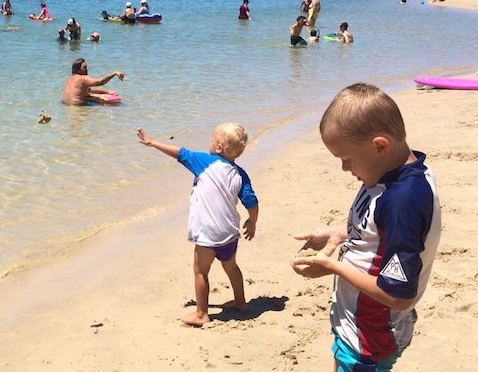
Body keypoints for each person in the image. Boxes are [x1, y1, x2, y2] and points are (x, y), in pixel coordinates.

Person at [292, 83, 441, 372]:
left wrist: (333, 267)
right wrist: (340, 232)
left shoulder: (404, 201)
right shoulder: (388, 174)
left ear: (380, 147)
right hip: (356, 326)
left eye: (346, 159)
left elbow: (399, 296)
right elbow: (381, 230)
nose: (344, 168)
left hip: (371, 337)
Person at [136, 124, 258, 326]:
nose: (209, 143)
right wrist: (252, 221)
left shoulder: (204, 162)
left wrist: (152, 142)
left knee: (201, 270)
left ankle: (201, 314)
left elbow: (180, 153)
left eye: (211, 140)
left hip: (207, 235)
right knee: (231, 267)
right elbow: (251, 202)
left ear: (219, 147)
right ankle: (240, 302)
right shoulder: (240, 174)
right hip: (229, 233)